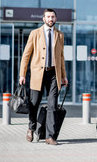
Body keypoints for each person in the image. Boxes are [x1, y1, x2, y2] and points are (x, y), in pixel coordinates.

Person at [19, 8, 68, 145]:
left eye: (53, 17)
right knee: (34, 103)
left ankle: (49, 136)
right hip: (38, 74)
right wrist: (22, 74)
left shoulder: (60, 35)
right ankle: (31, 127)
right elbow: (26, 55)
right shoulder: (35, 34)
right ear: (43, 19)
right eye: (48, 17)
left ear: (56, 19)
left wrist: (63, 75)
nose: (50, 19)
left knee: (52, 105)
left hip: (54, 74)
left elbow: (61, 57)